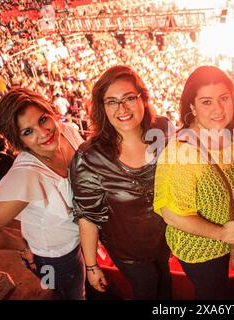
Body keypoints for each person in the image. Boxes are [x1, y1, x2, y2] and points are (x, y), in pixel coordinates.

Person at [69, 65, 173, 300]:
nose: (122, 108)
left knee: (165, 286)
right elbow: (88, 216)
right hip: (129, 251)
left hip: (166, 240)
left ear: (143, 99)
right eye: (112, 101)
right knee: (147, 289)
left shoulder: (163, 130)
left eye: (128, 98)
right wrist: (92, 266)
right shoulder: (90, 157)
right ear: (101, 108)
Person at [0, 88, 86, 300]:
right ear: (19, 141)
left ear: (51, 112)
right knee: (73, 293)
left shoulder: (69, 132)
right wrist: (22, 246)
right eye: (28, 132)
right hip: (58, 254)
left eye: (43, 119)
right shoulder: (25, 175)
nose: (43, 133)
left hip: (78, 236)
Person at [153, 66, 234, 300]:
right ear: (192, 107)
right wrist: (221, 234)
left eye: (224, 98)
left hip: (232, 239)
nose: (218, 109)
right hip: (202, 248)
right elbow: (172, 215)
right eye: (206, 102)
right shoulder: (180, 152)